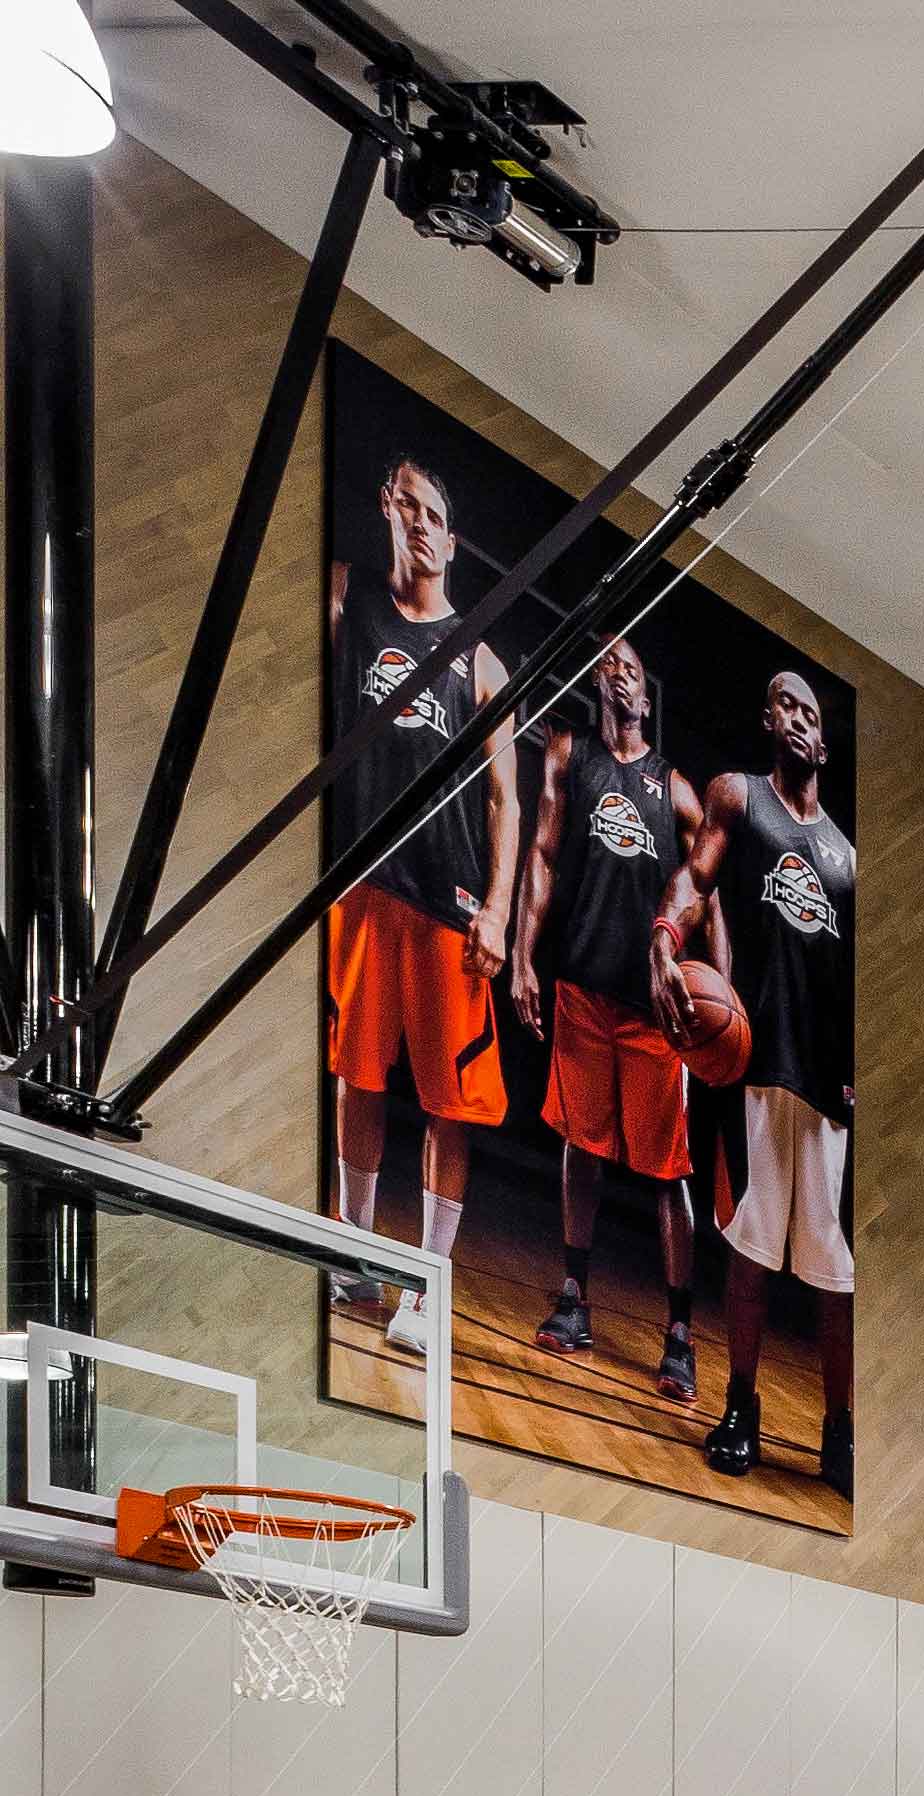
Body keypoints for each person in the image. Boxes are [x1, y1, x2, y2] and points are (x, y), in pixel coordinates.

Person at [319, 453, 517, 1331]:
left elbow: (507, 799)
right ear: (387, 509)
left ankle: (428, 1285)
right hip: (363, 882)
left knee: (450, 1103)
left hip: (450, 899)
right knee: (357, 1078)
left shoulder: (480, 660)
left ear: (453, 539)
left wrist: (499, 911)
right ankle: (353, 1254)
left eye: (435, 515)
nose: (422, 525)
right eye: (409, 507)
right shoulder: (346, 600)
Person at [504, 636, 705, 1398]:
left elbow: (705, 891)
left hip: (652, 1010)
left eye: (633, 667)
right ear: (598, 683)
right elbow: (542, 857)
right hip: (584, 987)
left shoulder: (675, 789)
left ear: (646, 697)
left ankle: (680, 1332)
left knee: (669, 1172)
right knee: (579, 1147)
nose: (620, 673)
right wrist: (523, 956)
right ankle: (574, 1297)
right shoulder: (571, 754)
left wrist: (716, 988)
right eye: (610, 664)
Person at [670, 666, 856, 1486]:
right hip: (753, 1062)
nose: (797, 718)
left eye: (809, 711)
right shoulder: (739, 798)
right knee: (750, 1246)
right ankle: (740, 1408)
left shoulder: (849, 859)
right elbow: (694, 878)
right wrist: (664, 933)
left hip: (827, 1081)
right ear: (767, 722)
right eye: (783, 704)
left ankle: (839, 1433)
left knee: (834, 1270)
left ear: (825, 741)